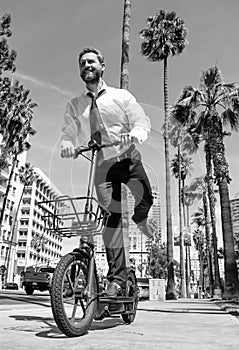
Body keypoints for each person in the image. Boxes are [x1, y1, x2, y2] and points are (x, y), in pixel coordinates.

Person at [60, 47, 153, 297]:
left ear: (102, 66)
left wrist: (134, 134)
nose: (86, 65)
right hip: (104, 166)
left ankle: (139, 217)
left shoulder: (120, 96)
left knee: (146, 199)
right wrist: (68, 145)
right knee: (111, 219)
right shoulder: (76, 104)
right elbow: (69, 132)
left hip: (129, 159)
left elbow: (141, 120)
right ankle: (117, 280)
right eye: (82, 63)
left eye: (91, 61)